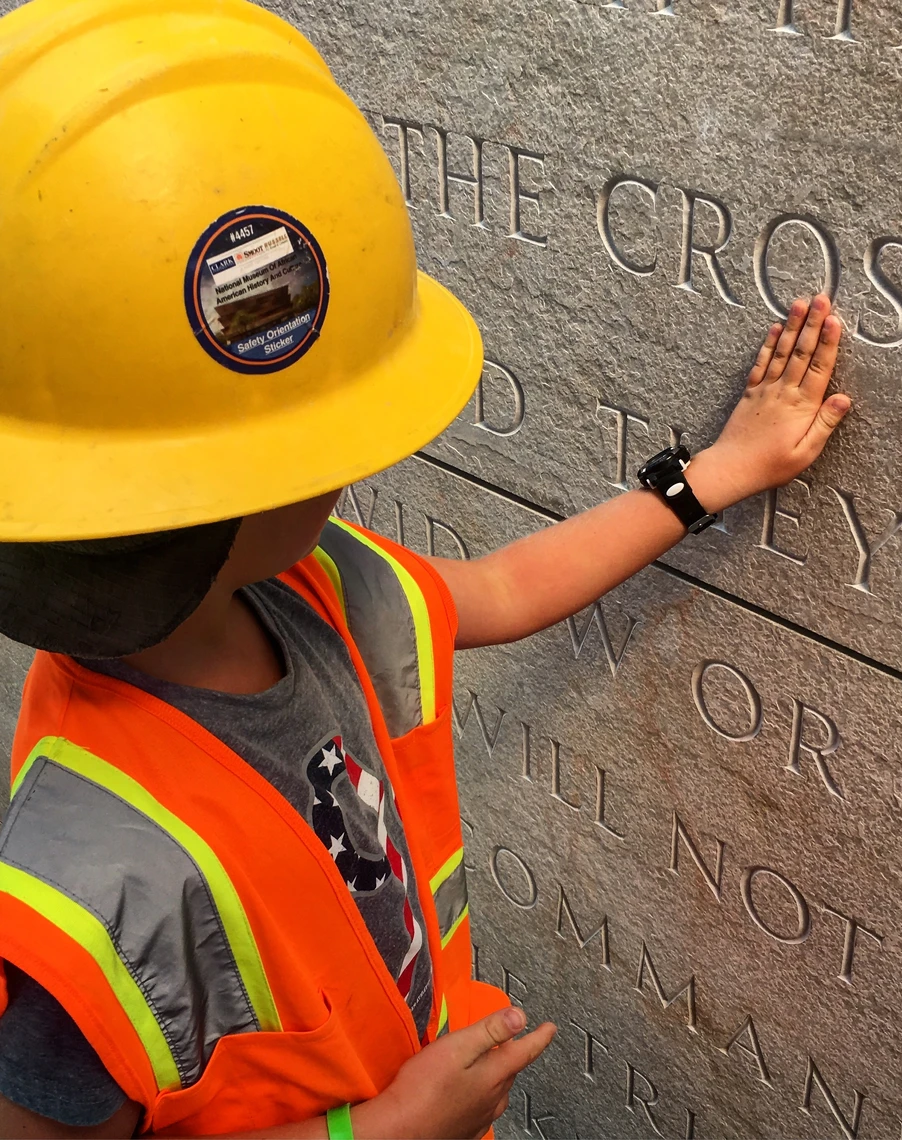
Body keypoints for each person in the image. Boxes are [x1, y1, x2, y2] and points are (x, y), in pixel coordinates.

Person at [0, 0, 851, 1136]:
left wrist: (713, 476)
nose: (352, 459)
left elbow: (495, 591)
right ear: (214, 486)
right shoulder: (78, 894)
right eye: (329, 430)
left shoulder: (304, 589)